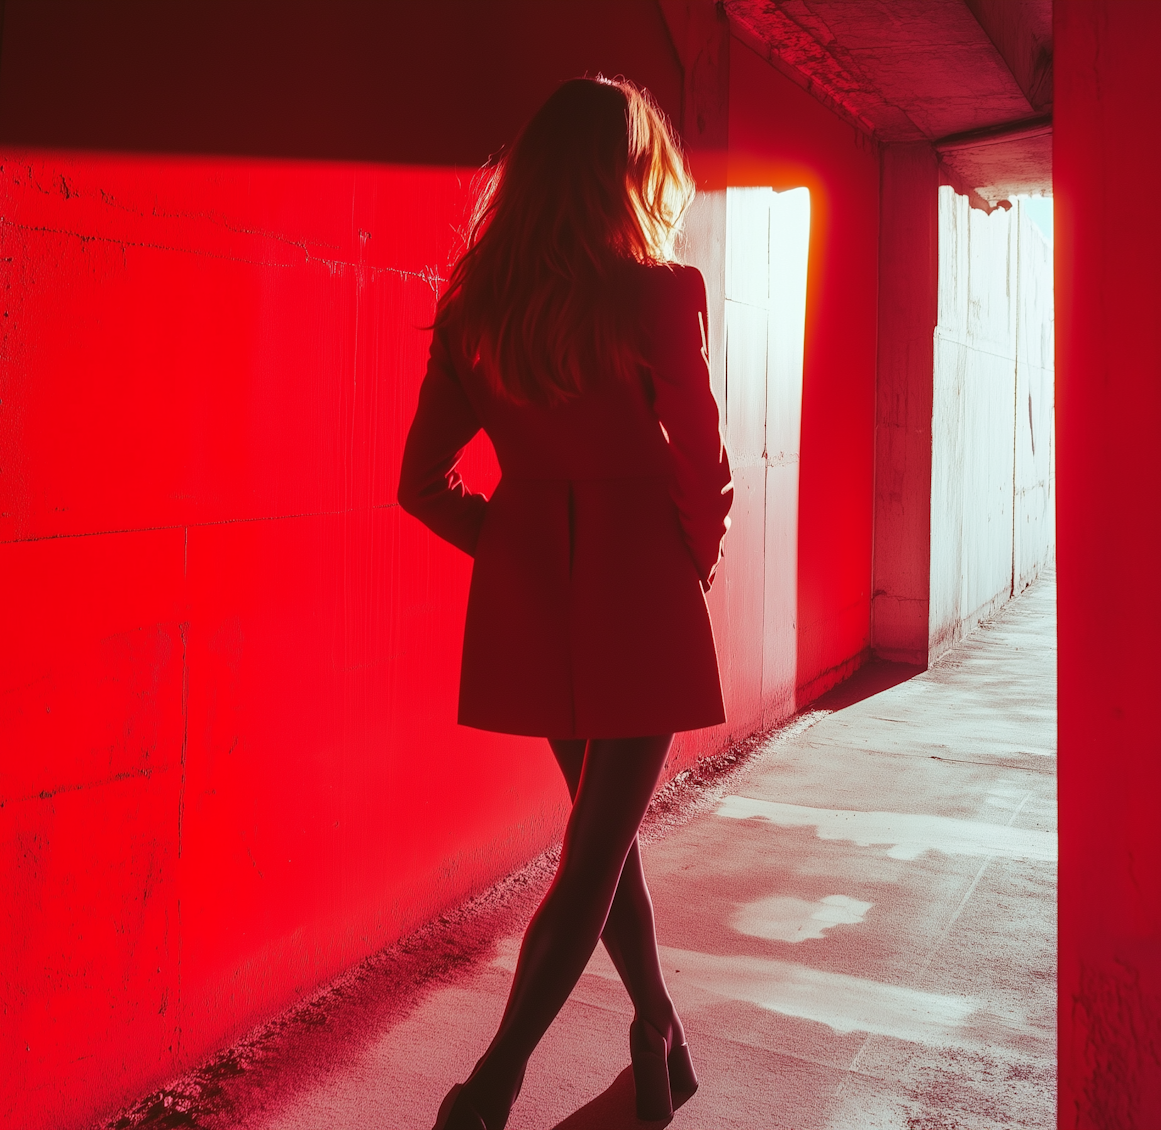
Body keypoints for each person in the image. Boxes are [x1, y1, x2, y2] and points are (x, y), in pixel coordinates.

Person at [398, 75, 733, 1130]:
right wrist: (695, 560)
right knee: (595, 849)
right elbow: (703, 466)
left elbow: (420, 479)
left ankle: (658, 1029)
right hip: (641, 580)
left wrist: (509, 542)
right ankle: (489, 1084)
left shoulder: (475, 302)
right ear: (624, 174)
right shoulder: (658, 292)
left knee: (604, 836)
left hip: (530, 587)